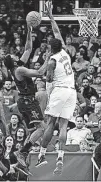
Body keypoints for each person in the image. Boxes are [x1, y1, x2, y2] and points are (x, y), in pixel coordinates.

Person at [35, 1, 77, 175]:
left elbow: (46, 75)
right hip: (72, 92)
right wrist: (51, 17)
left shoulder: (52, 60)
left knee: (51, 123)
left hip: (59, 90)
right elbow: (57, 32)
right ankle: (60, 157)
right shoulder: (65, 51)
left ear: (51, 49)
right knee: (64, 125)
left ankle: (42, 155)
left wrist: (45, 61)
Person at [4, 25, 49, 173]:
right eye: (12, 55)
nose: (15, 54)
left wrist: (29, 31)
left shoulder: (17, 66)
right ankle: (22, 152)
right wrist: (48, 58)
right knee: (42, 128)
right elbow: (40, 71)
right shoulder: (19, 69)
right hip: (28, 101)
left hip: (25, 101)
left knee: (34, 131)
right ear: (12, 60)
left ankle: (20, 160)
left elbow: (28, 49)